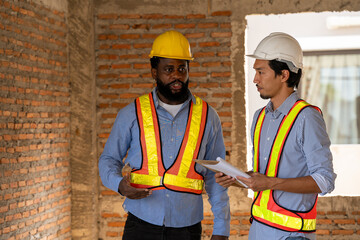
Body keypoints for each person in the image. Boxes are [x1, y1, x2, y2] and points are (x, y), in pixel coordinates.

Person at [99, 30, 230, 240]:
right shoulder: (131, 113)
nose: (176, 75)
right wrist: (119, 185)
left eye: (182, 69)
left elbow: (217, 176)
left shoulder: (208, 116)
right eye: (168, 69)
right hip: (140, 224)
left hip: (187, 228)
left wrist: (222, 229)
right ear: (154, 72)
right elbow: (108, 159)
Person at [215, 32, 336, 240]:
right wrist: (236, 179)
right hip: (258, 231)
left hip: (293, 236)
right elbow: (264, 177)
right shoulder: (260, 117)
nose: (255, 79)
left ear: (284, 75)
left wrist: (271, 183)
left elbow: (324, 181)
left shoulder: (307, 118)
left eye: (261, 72)